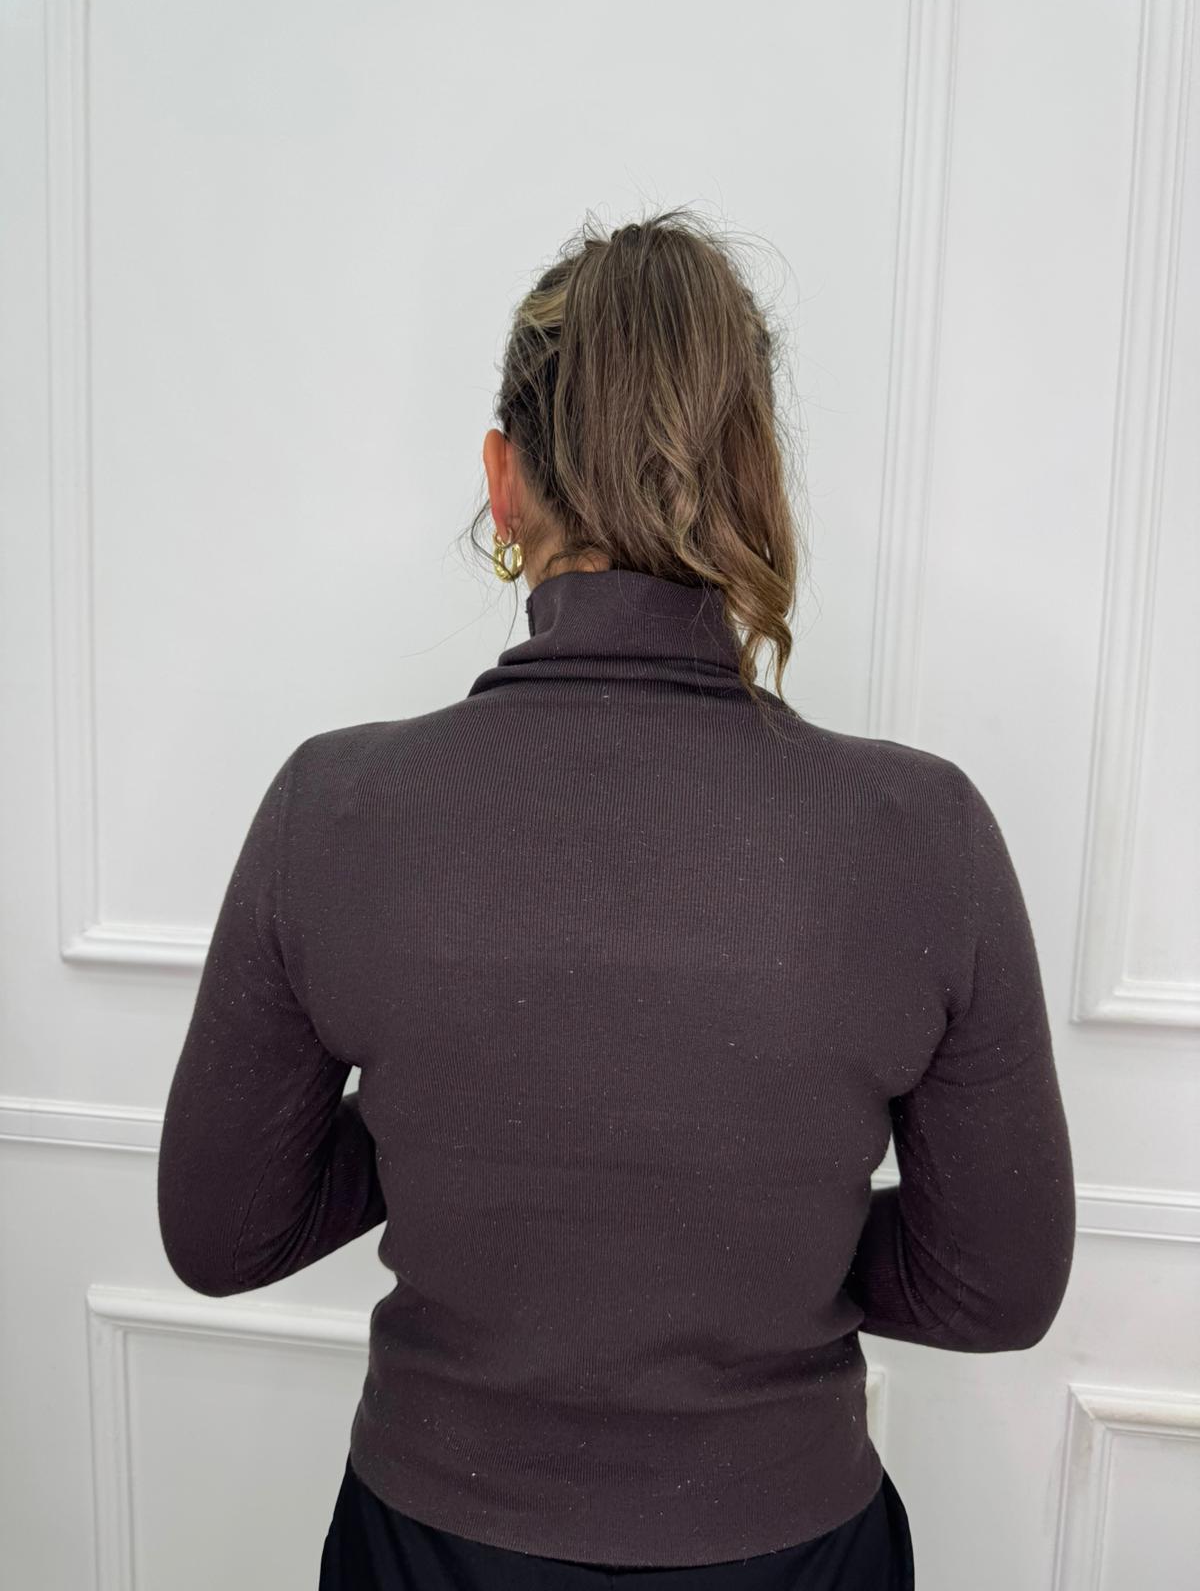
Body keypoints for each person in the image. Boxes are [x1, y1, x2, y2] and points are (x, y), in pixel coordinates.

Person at [156, 209, 1074, 1590]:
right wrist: (766, 1236)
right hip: (791, 1550)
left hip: (429, 1548)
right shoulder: (921, 833)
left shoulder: (333, 809)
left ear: (503, 481)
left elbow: (224, 1230)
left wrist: (467, 1148)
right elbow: (992, 1285)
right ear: (756, 482)